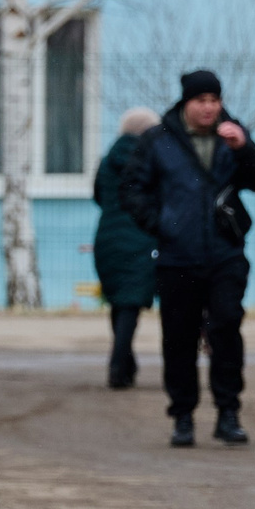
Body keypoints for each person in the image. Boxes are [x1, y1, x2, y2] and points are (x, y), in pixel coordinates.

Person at [122, 71, 255, 448]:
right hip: (177, 257)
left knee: (226, 329)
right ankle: (183, 417)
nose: (209, 107)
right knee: (179, 337)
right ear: (185, 103)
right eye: (200, 100)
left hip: (225, 254)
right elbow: (132, 188)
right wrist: (161, 224)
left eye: (214, 99)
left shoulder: (233, 135)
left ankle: (228, 414)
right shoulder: (158, 140)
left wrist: (244, 149)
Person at [92, 108, 159, 390]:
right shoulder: (150, 161)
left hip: (107, 239)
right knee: (130, 302)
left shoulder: (107, 160)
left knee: (120, 301)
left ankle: (125, 362)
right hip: (141, 239)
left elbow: (98, 195)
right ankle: (118, 367)